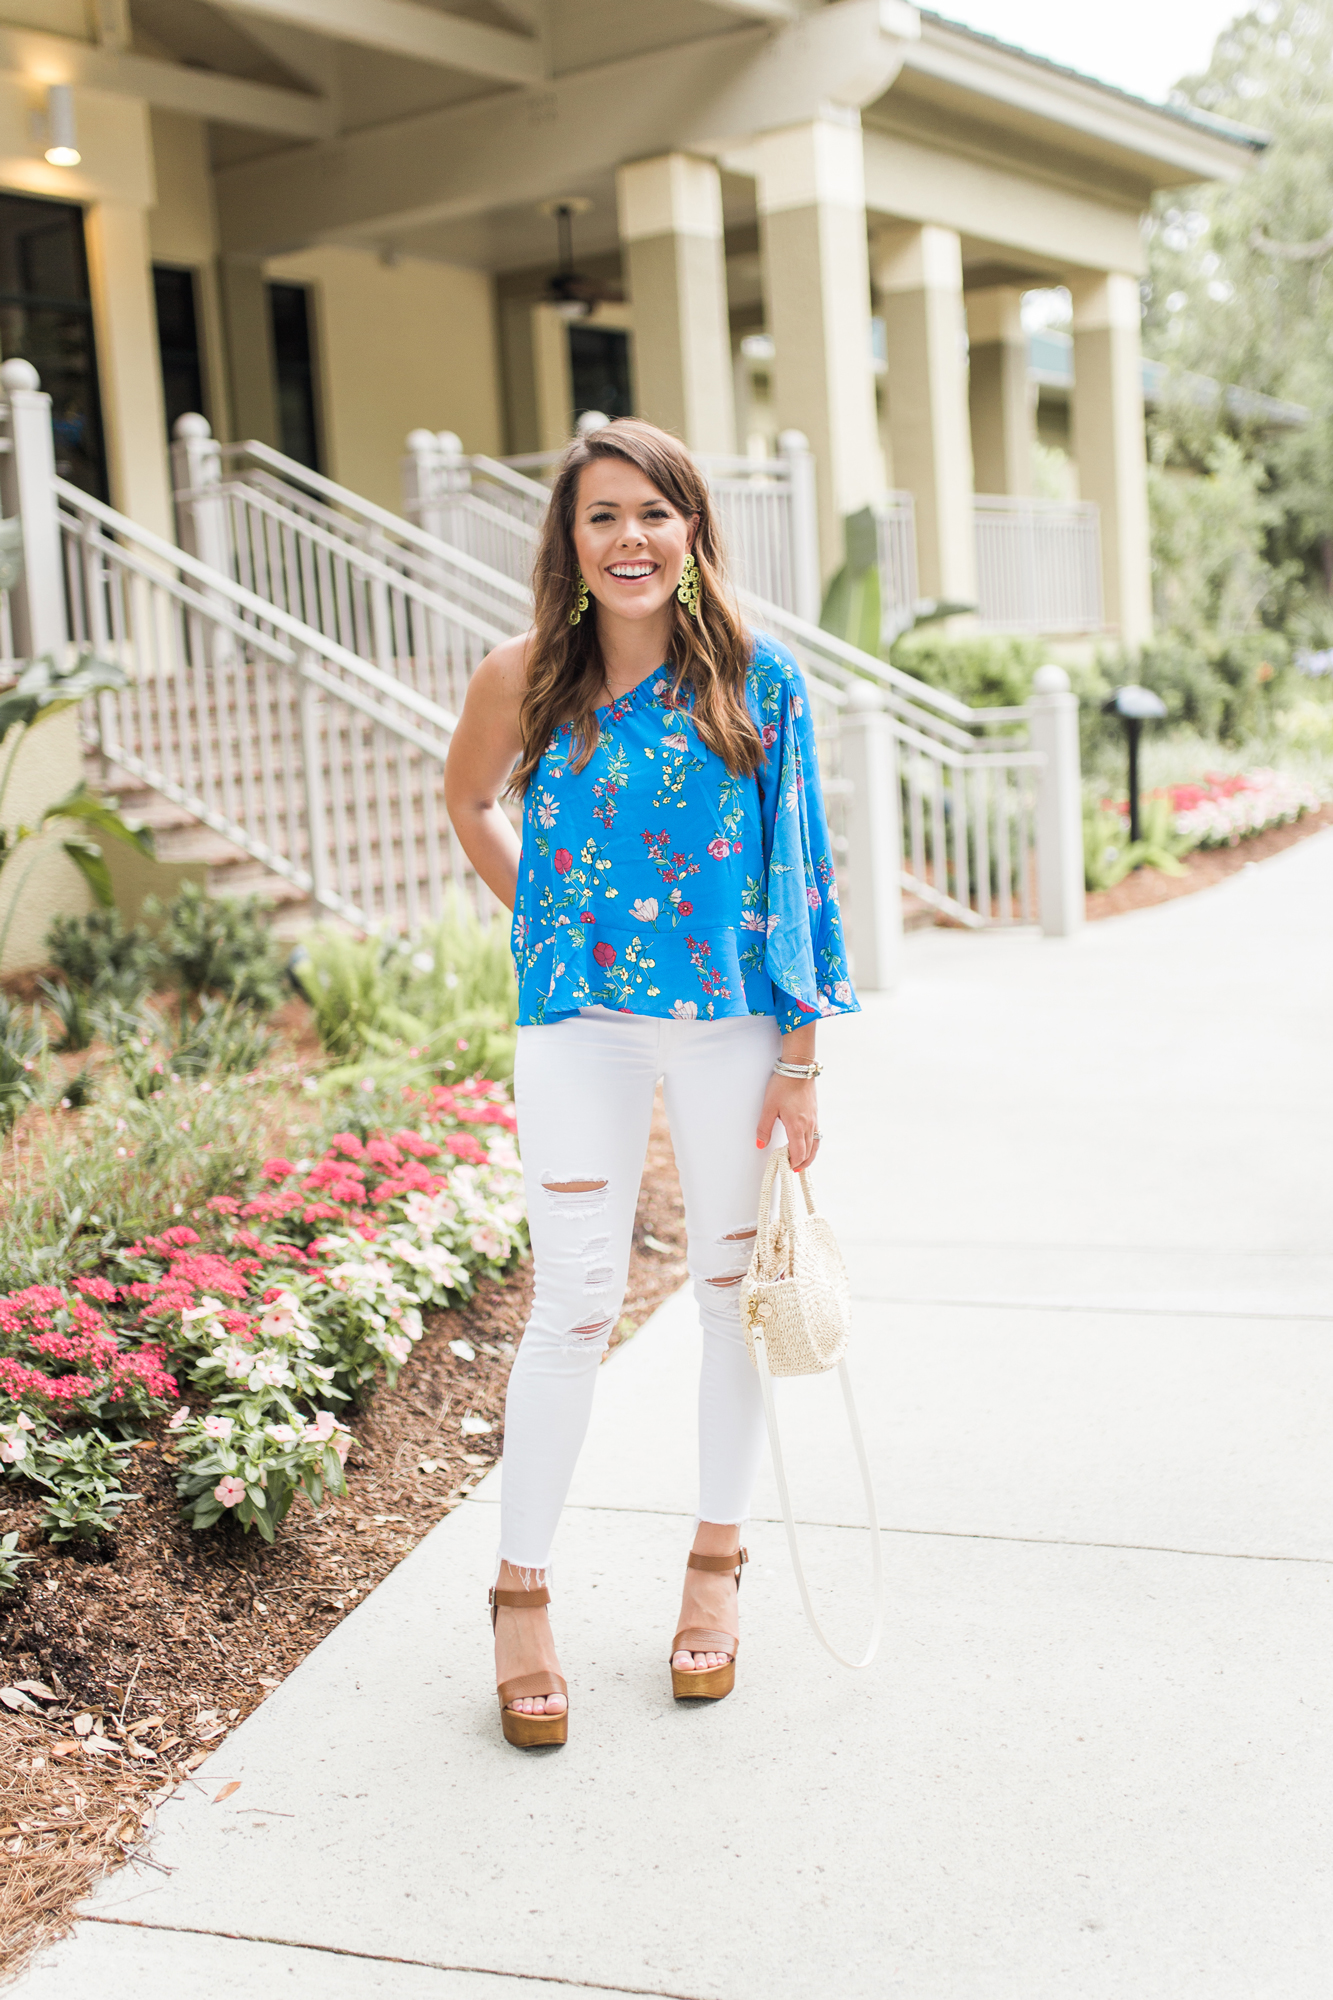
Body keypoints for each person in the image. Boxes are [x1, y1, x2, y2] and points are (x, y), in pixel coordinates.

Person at [444, 418, 857, 1748]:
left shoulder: (757, 681)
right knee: (570, 1298)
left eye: (651, 514)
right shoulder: (522, 678)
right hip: (583, 1029)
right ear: (568, 543)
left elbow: (800, 875)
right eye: (600, 516)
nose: (627, 537)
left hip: (734, 1027)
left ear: (691, 536)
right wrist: (550, 920)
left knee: (727, 1300)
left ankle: (715, 1568)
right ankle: (520, 1591)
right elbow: (468, 803)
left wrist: (798, 1062)